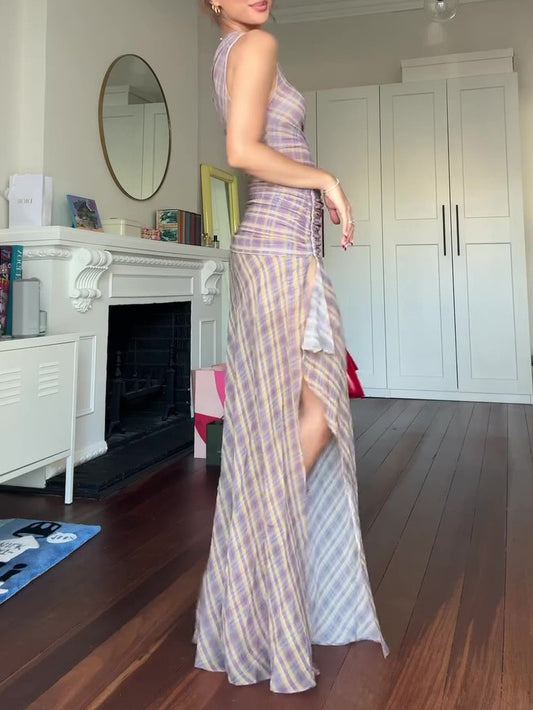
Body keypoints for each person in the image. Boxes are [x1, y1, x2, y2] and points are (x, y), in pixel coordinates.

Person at [193, 0, 388, 694]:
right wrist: (325, 178)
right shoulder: (256, 46)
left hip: (278, 247)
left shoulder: (229, 53)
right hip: (277, 251)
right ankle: (257, 558)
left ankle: (249, 573)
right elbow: (242, 151)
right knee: (319, 411)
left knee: (293, 417)